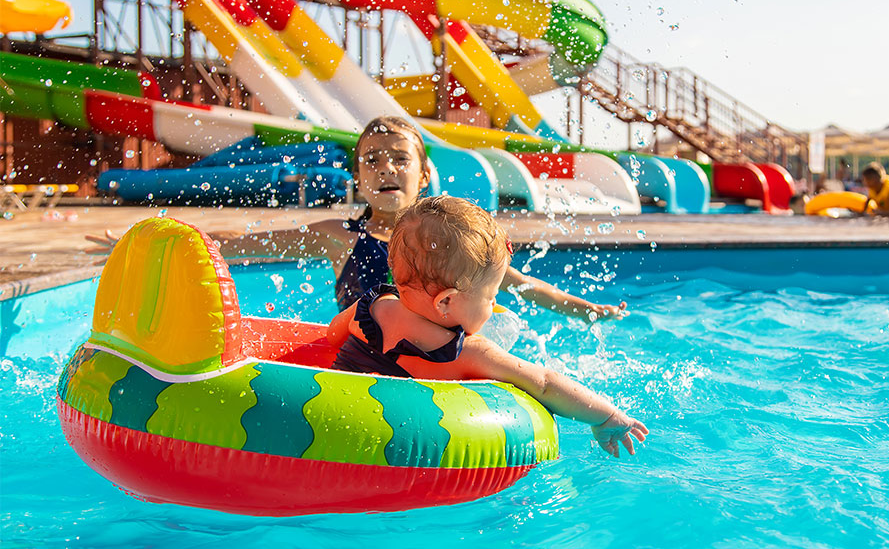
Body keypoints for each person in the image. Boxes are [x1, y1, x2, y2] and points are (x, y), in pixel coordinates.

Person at [86, 116, 628, 320]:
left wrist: (584, 309)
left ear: (424, 173)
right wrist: (151, 242)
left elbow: (515, 281)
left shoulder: (453, 236)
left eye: (399, 158)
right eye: (371, 160)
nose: (385, 168)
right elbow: (247, 243)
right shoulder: (337, 237)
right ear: (358, 177)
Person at [329, 195, 649, 457]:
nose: (494, 305)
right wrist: (606, 416)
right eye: (491, 296)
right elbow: (545, 383)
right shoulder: (467, 353)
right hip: (397, 449)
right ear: (446, 302)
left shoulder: (370, 307)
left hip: (332, 423)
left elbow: (330, 336)